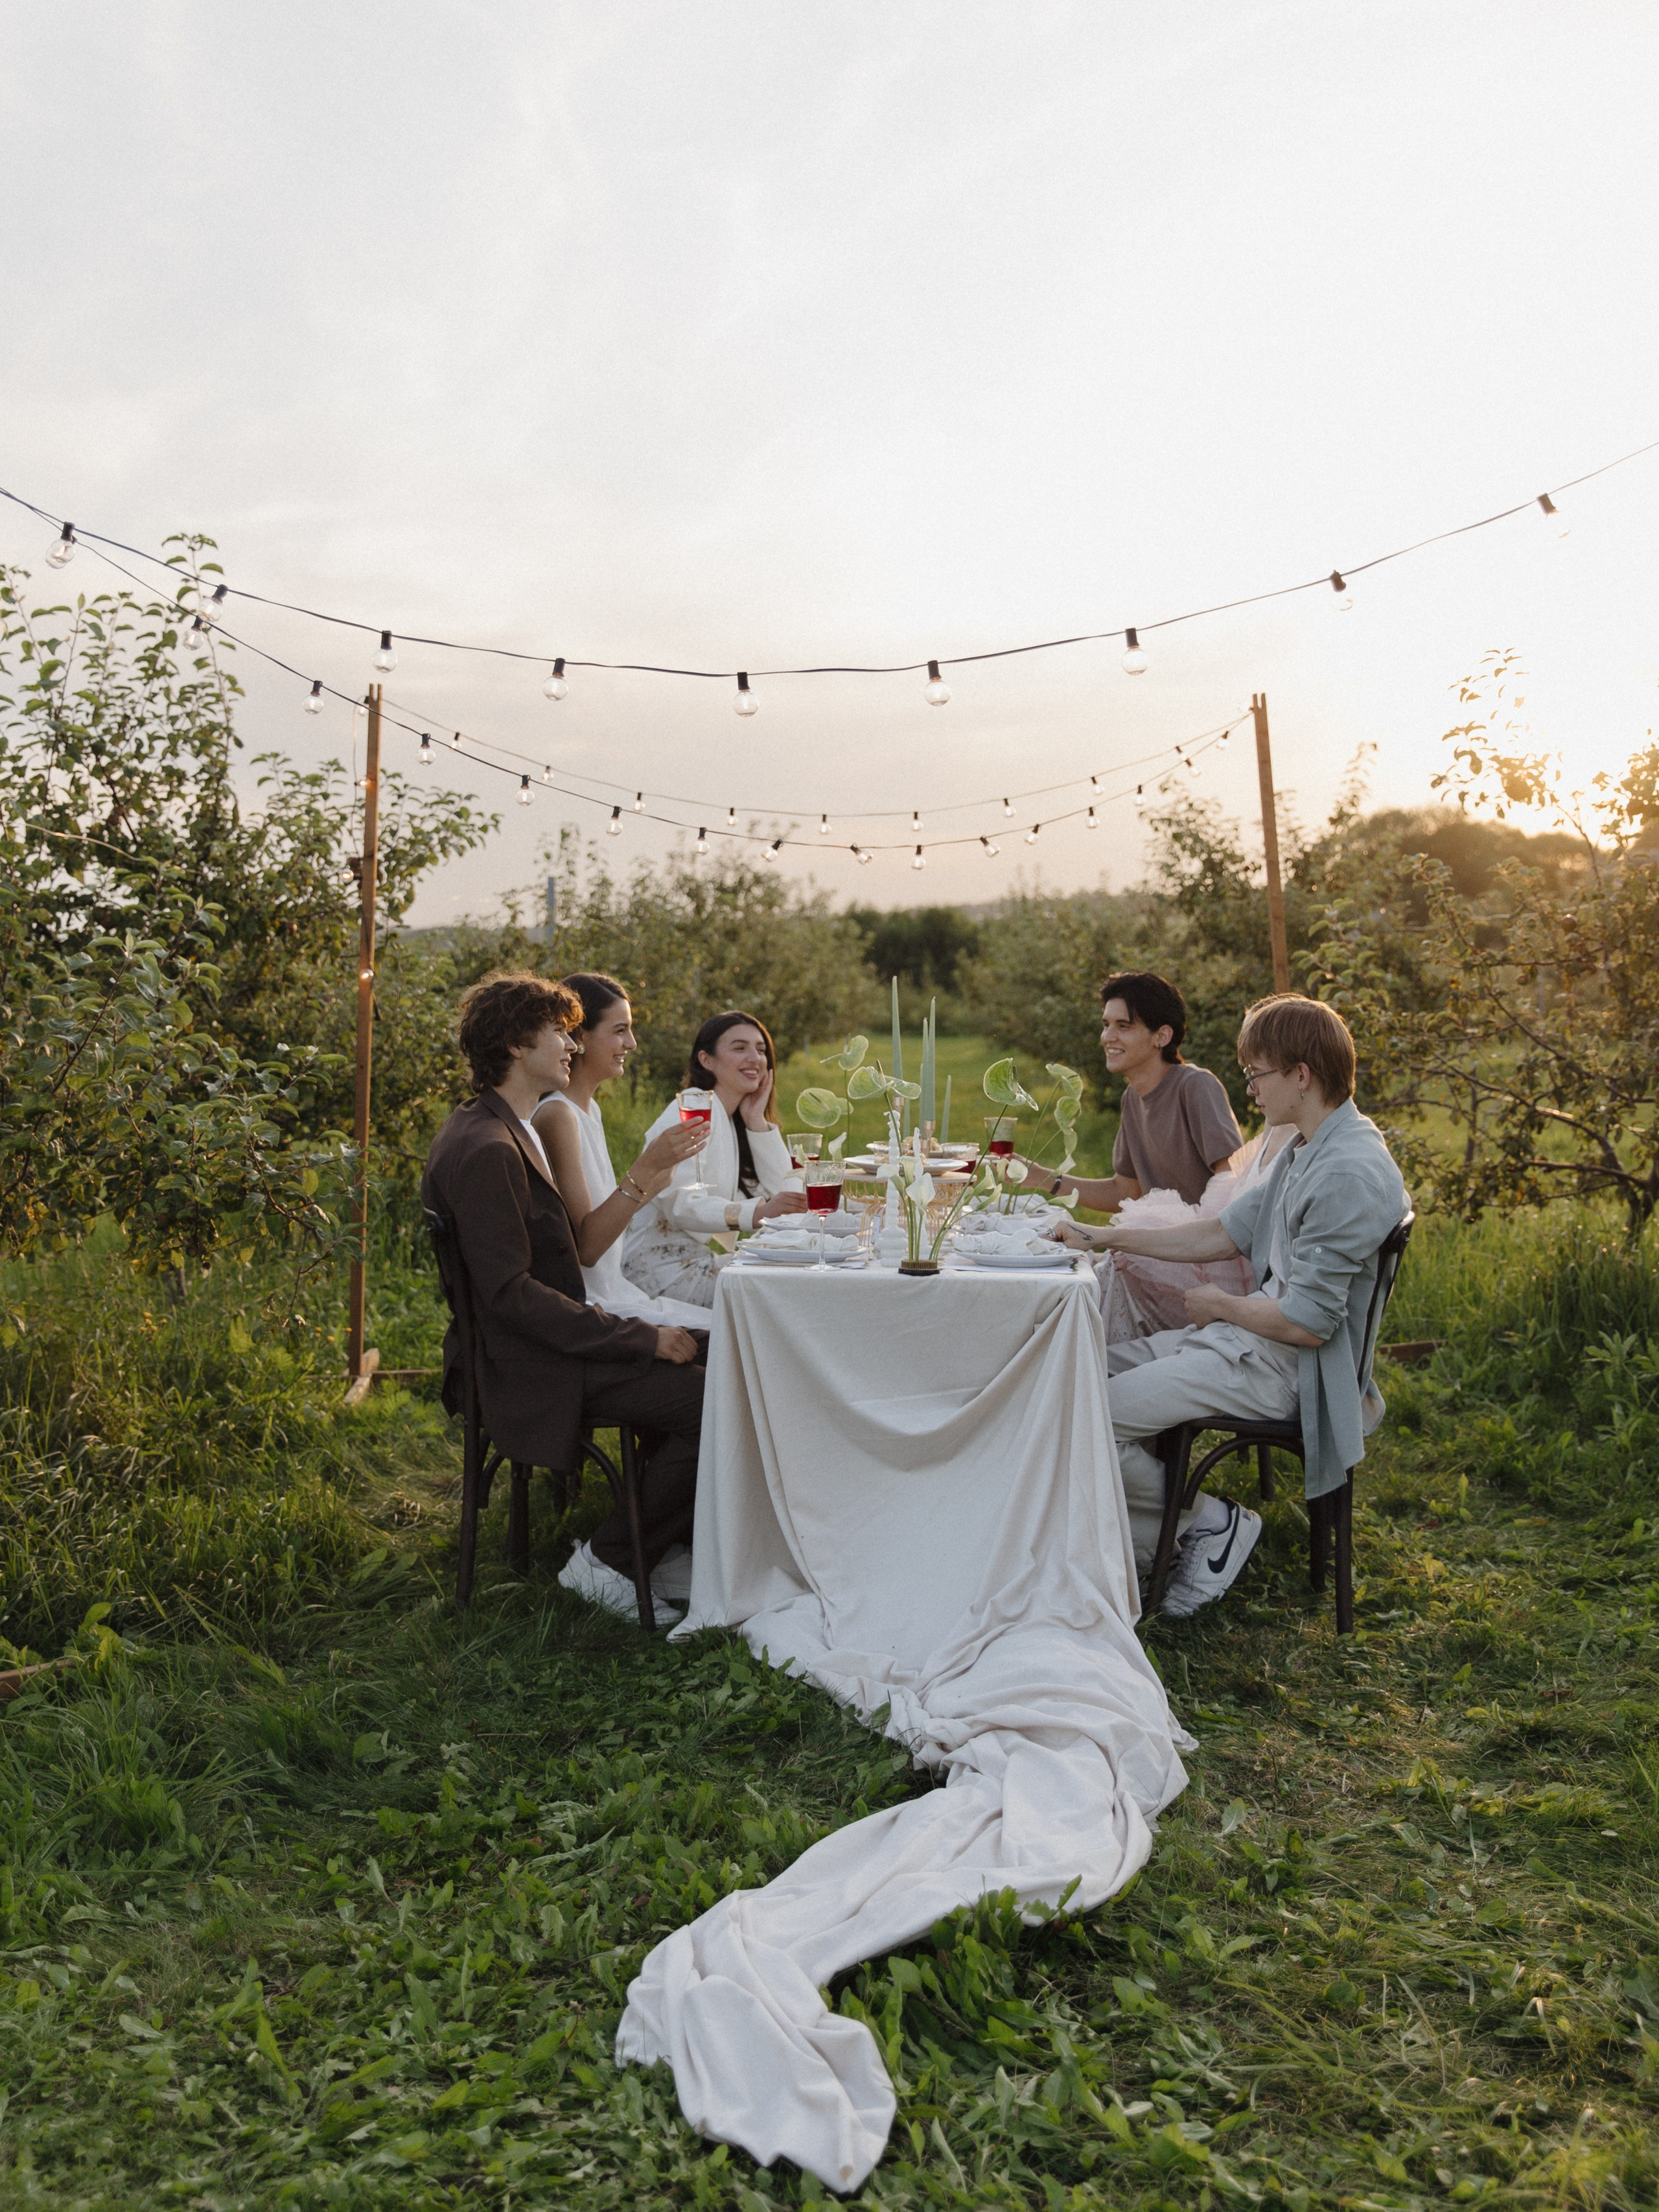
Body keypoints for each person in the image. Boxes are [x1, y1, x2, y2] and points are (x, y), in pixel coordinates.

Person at [1092, 993, 1408, 1620]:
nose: (1251, 1090)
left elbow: (1307, 1323)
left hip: (1285, 1369)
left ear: (1301, 1074)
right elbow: (1223, 1231)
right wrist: (1104, 1236)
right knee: (1076, 1372)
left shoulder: (1345, 1170)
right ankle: (1151, 1539)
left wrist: (1217, 1303)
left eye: (1257, 1073)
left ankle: (1213, 1524)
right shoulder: (1308, 1146)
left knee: (1088, 1415)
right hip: (1248, 1347)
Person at [421, 972, 707, 1624]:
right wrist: (637, 1336)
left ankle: (657, 1543)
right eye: (558, 1031)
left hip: (545, 1344)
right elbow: (511, 1296)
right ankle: (609, 1563)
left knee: (722, 1362)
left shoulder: (502, 1126)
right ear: (518, 1044)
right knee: (707, 1400)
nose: (570, 1046)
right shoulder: (488, 1147)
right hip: (527, 1366)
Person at [531, 972, 714, 1332]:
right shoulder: (557, 1116)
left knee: (740, 1326)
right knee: (737, 1336)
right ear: (580, 1037)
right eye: (619, 1030)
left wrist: (655, 1180)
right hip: (597, 1309)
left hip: (620, 1293)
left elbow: (606, 1216)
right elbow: (586, 1249)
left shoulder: (587, 1110)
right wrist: (644, 1171)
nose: (631, 1043)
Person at [621, 1010, 807, 1309]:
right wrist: (756, 1213)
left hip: (698, 1260)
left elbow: (786, 1198)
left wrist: (756, 1120)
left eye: (761, 1050)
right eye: (739, 1048)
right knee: (792, 1288)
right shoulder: (693, 1107)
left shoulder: (732, 1120)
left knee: (802, 1275)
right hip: (660, 1272)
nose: (755, 1058)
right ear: (706, 1060)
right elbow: (679, 1201)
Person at [1022, 972, 1244, 1215]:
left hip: (1204, 1245)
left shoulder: (1196, 1087)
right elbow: (1125, 1192)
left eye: (1123, 1026)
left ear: (1162, 1036)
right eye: (1106, 1025)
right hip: (1162, 1244)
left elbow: (1233, 1180)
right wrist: (1039, 1177)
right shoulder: (1132, 1097)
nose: (1108, 1037)